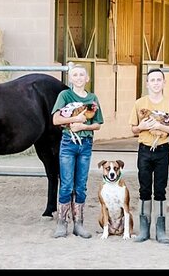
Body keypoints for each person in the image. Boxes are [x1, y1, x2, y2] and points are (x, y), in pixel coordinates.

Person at [50, 65, 102, 238]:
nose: (79, 77)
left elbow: (98, 124)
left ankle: (78, 223)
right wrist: (74, 119)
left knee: (81, 185)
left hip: (85, 143)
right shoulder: (64, 96)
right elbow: (56, 119)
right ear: (70, 79)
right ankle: (62, 223)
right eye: (75, 75)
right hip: (68, 143)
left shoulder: (92, 99)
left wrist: (84, 126)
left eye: (82, 75)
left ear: (87, 78)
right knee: (66, 184)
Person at [130, 68, 169, 244]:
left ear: (164, 82)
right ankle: (144, 228)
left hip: (162, 149)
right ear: (147, 83)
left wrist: (161, 128)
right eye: (153, 80)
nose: (156, 83)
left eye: (159, 80)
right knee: (144, 187)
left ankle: (161, 228)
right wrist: (143, 126)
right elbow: (134, 129)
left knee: (160, 188)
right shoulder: (139, 103)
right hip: (144, 149)